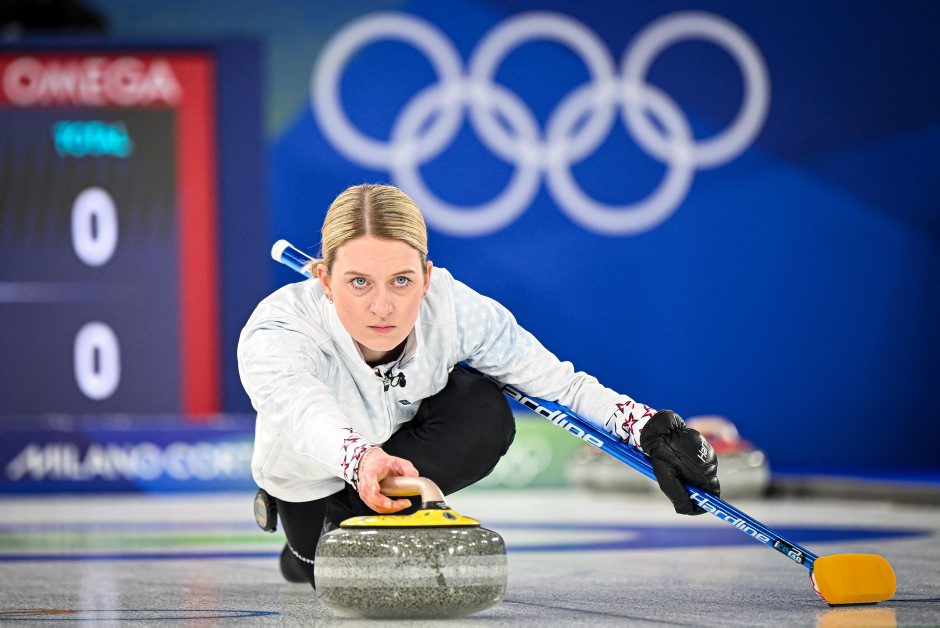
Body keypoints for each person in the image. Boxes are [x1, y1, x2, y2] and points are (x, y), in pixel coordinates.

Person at [237, 183, 719, 586]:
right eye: (359, 282)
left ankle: (368, 519)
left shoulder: (453, 309)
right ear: (324, 280)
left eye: (401, 281)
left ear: (427, 277)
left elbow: (559, 385)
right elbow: (305, 411)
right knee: (324, 569)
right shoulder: (278, 329)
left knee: (482, 407)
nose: (382, 307)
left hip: (396, 453)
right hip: (314, 478)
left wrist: (649, 428)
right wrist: (360, 460)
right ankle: (303, 553)